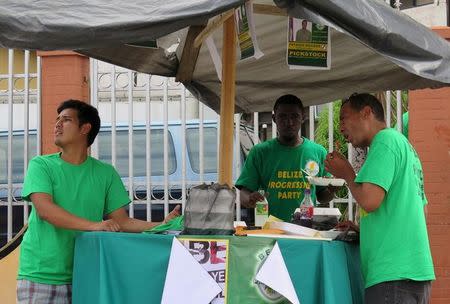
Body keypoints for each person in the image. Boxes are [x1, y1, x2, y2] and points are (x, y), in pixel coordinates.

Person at [16, 99, 180, 304]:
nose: (57, 124)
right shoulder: (41, 165)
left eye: (65, 120)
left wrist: (160, 225)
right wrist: (95, 225)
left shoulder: (106, 173)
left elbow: (121, 222)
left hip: (87, 274)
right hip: (42, 275)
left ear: (85, 128)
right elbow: (45, 211)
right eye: (57, 119)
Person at [325, 93, 434, 304]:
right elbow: (421, 211)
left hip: (392, 275)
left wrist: (347, 174)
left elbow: (370, 201)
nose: (340, 128)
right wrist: (363, 230)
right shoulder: (404, 146)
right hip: (414, 271)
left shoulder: (384, 141)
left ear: (366, 113)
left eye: (343, 118)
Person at [235, 94, 335, 222]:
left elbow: (322, 196)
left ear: (303, 118)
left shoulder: (318, 152)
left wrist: (331, 191)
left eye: (295, 116)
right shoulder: (260, 152)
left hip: (306, 227)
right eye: (283, 116)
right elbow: (244, 192)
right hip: (268, 227)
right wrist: (250, 199)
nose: (289, 122)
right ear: (274, 118)